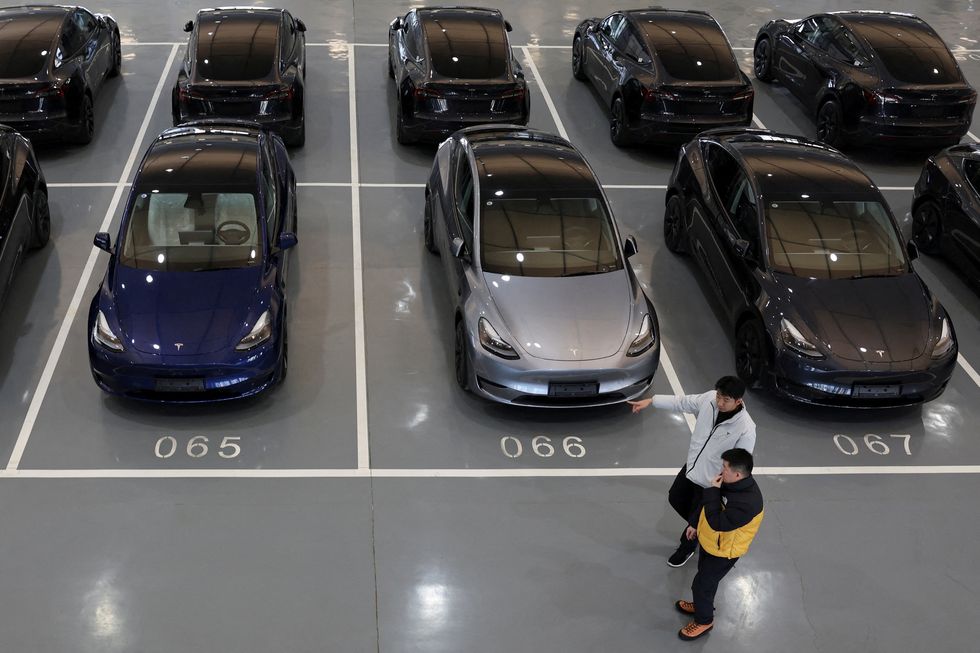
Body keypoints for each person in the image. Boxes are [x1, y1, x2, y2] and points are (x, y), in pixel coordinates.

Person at [627, 376, 756, 567]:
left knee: (696, 521)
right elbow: (683, 402)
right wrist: (652, 401)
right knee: (675, 498)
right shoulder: (709, 400)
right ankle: (702, 528)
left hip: (711, 484)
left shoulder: (746, 429)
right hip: (692, 467)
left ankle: (687, 546)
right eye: (719, 396)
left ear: (738, 401)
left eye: (726, 400)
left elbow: (740, 464)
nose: (720, 402)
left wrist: (720, 490)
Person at [675, 448, 764, 641]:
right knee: (704, 579)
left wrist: (712, 491)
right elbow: (706, 504)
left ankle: (704, 620)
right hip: (710, 542)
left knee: (701, 585)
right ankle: (701, 604)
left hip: (724, 552)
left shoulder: (748, 503)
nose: (721, 470)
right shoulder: (729, 481)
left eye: (724, 467)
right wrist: (694, 523)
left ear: (738, 473)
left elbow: (718, 524)